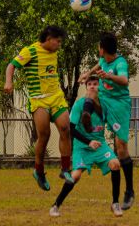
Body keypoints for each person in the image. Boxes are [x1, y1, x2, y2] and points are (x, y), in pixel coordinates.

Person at [5, 25, 73, 191]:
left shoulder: (54, 52)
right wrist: (8, 81)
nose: (59, 45)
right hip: (39, 99)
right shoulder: (30, 51)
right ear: (48, 39)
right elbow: (11, 65)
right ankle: (39, 171)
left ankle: (65, 169)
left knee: (65, 128)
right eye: (57, 41)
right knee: (44, 135)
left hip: (56, 97)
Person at [49, 77, 123, 217]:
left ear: (100, 87)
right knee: (75, 176)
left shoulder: (104, 105)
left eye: (95, 84)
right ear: (86, 87)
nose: (92, 87)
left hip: (100, 145)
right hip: (82, 146)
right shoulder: (79, 105)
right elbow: (71, 129)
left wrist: (119, 131)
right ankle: (55, 205)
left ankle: (115, 204)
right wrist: (88, 142)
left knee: (115, 164)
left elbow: (114, 123)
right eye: (89, 84)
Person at [78, 32, 135, 209]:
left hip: (119, 105)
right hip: (104, 99)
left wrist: (109, 76)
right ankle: (86, 116)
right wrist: (88, 73)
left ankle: (129, 191)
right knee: (92, 91)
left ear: (102, 49)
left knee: (121, 146)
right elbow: (98, 66)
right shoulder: (103, 60)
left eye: (99, 47)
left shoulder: (120, 62)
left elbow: (124, 80)